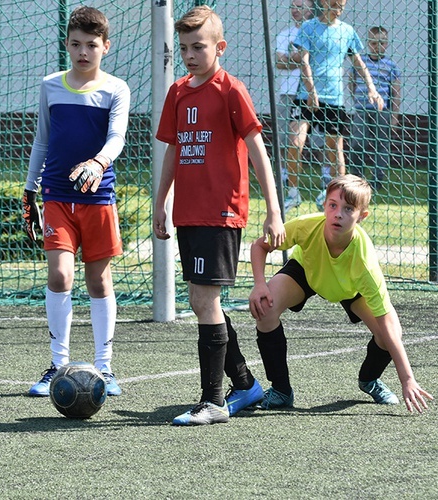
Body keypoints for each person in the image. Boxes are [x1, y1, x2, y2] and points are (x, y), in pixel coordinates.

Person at [153, 5, 285, 426]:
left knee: (204, 300)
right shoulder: (177, 92)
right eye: (185, 47)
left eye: (199, 46)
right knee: (200, 300)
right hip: (188, 214)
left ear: (220, 47)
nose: (190, 55)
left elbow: (258, 152)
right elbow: (174, 149)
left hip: (222, 212)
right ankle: (244, 384)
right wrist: (161, 202)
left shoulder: (231, 90)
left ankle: (212, 401)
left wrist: (273, 210)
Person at [248, 175, 433, 413]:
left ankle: (369, 380)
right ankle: (281, 390)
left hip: (350, 288)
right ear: (324, 205)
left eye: (348, 209)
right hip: (308, 272)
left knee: (390, 333)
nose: (338, 214)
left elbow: (386, 322)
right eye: (333, 205)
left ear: (361, 216)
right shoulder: (306, 225)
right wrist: (259, 284)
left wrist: (407, 379)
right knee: (265, 308)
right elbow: (259, 245)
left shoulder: (365, 264)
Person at [22, 6, 130, 398]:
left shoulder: (116, 89)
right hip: (56, 196)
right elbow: (43, 140)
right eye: (75, 44)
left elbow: (116, 138)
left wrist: (98, 163)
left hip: (98, 198)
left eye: (91, 45)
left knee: (98, 280)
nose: (83, 52)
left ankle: (105, 368)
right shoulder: (50, 84)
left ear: (105, 47)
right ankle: (57, 364)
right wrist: (30, 188)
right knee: (60, 275)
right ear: (67, 44)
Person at [289, 0, 384, 210]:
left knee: (335, 149)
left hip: (334, 100)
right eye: (334, 3)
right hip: (307, 96)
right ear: (323, 3)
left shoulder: (347, 31)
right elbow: (303, 61)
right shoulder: (309, 27)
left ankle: (338, 198)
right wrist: (311, 91)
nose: (339, 7)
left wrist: (372, 88)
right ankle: (293, 194)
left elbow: (358, 62)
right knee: (295, 143)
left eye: (342, 4)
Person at [275, 0, 317, 210]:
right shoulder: (285, 35)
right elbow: (280, 62)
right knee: (289, 140)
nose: (295, 9)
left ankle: (328, 181)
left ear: (311, 8)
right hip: (289, 93)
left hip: (316, 94)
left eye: (301, 6)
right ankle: (291, 186)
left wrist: (297, 58)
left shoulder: (318, 31)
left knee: (326, 141)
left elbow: (317, 60)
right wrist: (301, 58)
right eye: (293, 5)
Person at [348, 26, 401, 192]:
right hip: (362, 109)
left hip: (382, 111)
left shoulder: (390, 65)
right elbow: (352, 81)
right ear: (368, 43)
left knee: (382, 145)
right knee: (357, 143)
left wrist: (394, 115)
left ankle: (377, 181)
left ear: (387, 44)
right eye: (374, 42)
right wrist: (357, 100)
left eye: (382, 42)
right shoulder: (361, 63)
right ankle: (356, 178)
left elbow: (396, 91)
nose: (378, 46)